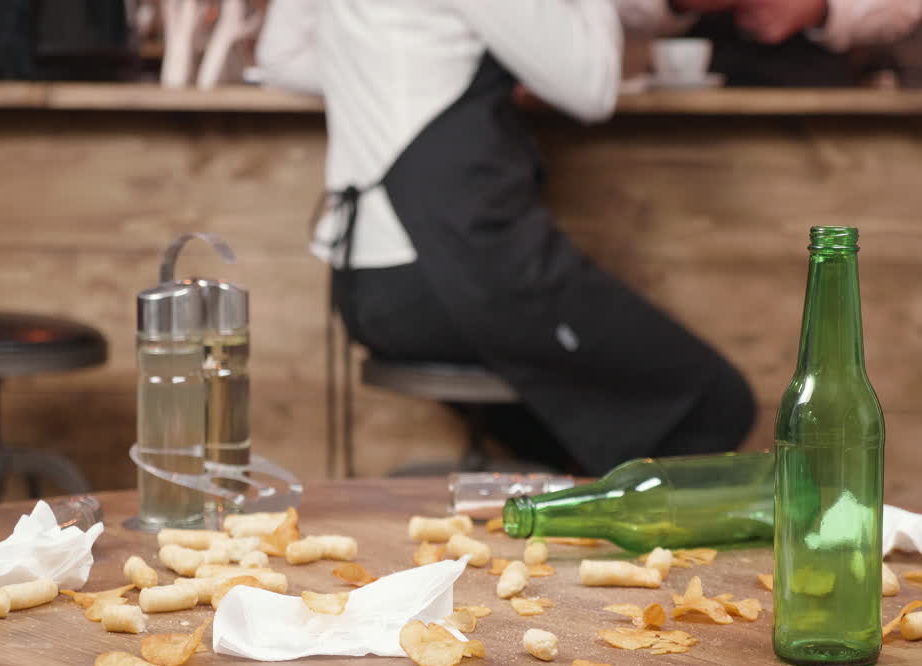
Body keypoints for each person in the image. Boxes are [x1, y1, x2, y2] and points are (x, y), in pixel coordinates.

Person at [256, 0, 755, 476]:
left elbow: (281, 59)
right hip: (457, 272)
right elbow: (593, 87)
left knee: (583, 448)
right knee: (714, 405)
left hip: (368, 288)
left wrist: (391, 63)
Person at [617, 0, 922, 86]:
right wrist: (678, 3)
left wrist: (819, 9)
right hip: (681, 116)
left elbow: (906, 7)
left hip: (817, 110)